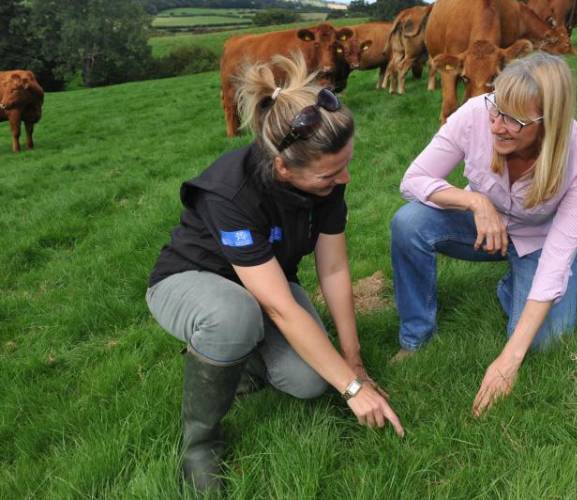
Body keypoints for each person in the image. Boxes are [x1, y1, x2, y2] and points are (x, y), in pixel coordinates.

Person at [146, 53, 403, 495]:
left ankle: (236, 362)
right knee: (234, 317)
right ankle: (200, 445)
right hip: (190, 281)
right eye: (330, 174)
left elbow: (336, 269)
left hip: (264, 287)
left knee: (308, 383)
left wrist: (351, 360)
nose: (344, 180)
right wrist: (355, 389)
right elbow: (279, 307)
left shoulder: (325, 183)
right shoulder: (232, 192)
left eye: (346, 165)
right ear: (284, 168)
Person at [390, 52, 577, 416]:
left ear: (549, 121)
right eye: (497, 109)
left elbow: (555, 261)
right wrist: (475, 201)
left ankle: (512, 287)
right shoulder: (475, 113)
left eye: (515, 120)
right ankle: (416, 336)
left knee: (544, 343)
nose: (497, 126)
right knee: (408, 223)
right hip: (481, 228)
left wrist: (509, 360)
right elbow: (412, 181)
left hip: (539, 243)